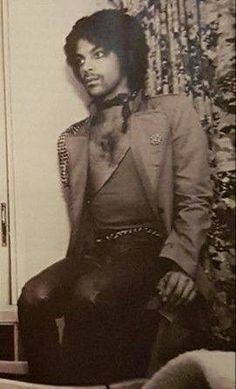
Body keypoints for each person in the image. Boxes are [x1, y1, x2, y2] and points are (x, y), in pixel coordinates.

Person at [17, 9, 213, 386]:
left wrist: (180, 265)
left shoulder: (171, 112)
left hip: (151, 248)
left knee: (91, 293)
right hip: (97, 252)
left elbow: (195, 200)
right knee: (34, 296)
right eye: (79, 58)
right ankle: (54, 385)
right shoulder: (73, 137)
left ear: (126, 54)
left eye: (98, 53)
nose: (85, 66)